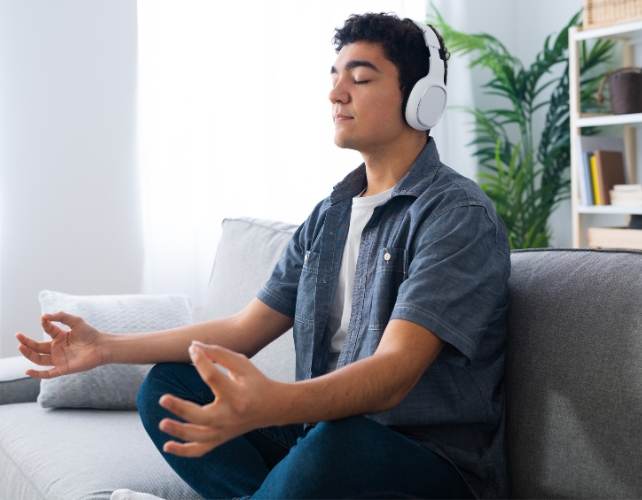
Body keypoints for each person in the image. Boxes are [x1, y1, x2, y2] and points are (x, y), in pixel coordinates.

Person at [16, 12, 511, 500]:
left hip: (426, 460)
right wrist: (105, 347)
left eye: (360, 78)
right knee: (169, 386)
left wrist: (274, 403)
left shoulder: (456, 214)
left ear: (422, 100)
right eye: (335, 77)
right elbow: (241, 331)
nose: (336, 93)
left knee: (335, 442)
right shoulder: (330, 215)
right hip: (321, 438)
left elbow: (395, 372)